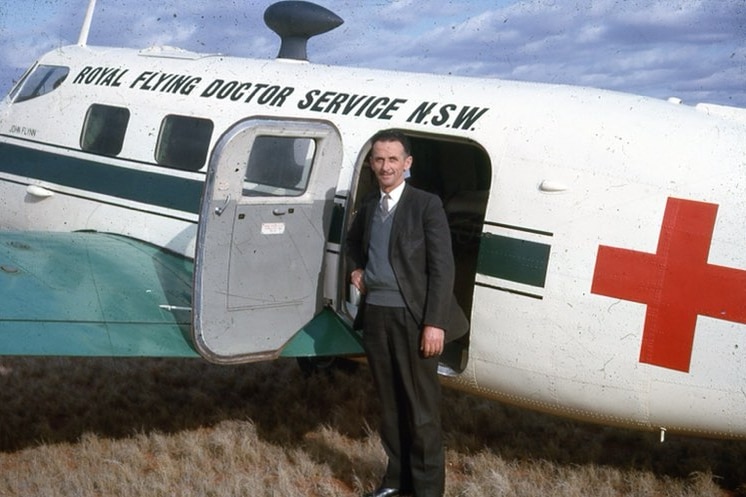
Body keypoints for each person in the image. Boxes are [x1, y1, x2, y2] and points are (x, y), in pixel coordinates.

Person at [346, 129, 468, 497]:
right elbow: (353, 244)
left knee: (421, 411)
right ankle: (396, 481)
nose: (386, 166)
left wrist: (435, 322)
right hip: (377, 317)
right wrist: (355, 268)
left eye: (393, 159)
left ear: (407, 164)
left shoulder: (425, 205)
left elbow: (443, 268)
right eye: (379, 159)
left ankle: (427, 490)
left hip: (414, 319)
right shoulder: (369, 205)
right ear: (371, 163)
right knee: (391, 407)